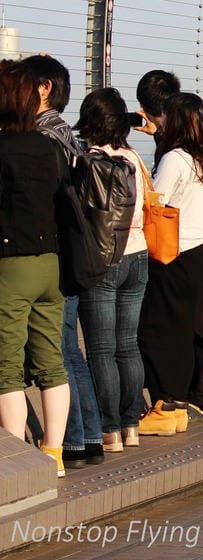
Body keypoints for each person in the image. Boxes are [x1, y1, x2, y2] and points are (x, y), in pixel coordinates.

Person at [24, 55, 104, 467]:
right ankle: (87, 436)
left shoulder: (43, 136)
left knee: (55, 352)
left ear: (43, 89)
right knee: (70, 351)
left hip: (52, 253)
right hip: (71, 253)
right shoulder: (67, 135)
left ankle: (71, 438)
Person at [137, 93, 203, 436]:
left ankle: (164, 404)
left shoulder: (174, 158)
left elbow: (157, 204)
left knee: (156, 332)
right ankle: (176, 407)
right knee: (184, 331)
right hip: (201, 252)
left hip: (172, 254)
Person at [0, 60, 71, 476]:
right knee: (51, 362)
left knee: (6, 365)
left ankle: (16, 461)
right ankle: (53, 453)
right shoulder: (48, 146)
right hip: (51, 264)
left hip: (12, 265)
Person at [74, 89, 149, 453]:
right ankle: (132, 423)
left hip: (101, 261)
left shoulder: (85, 160)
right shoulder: (132, 156)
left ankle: (109, 429)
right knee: (128, 346)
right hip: (138, 255)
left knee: (101, 349)